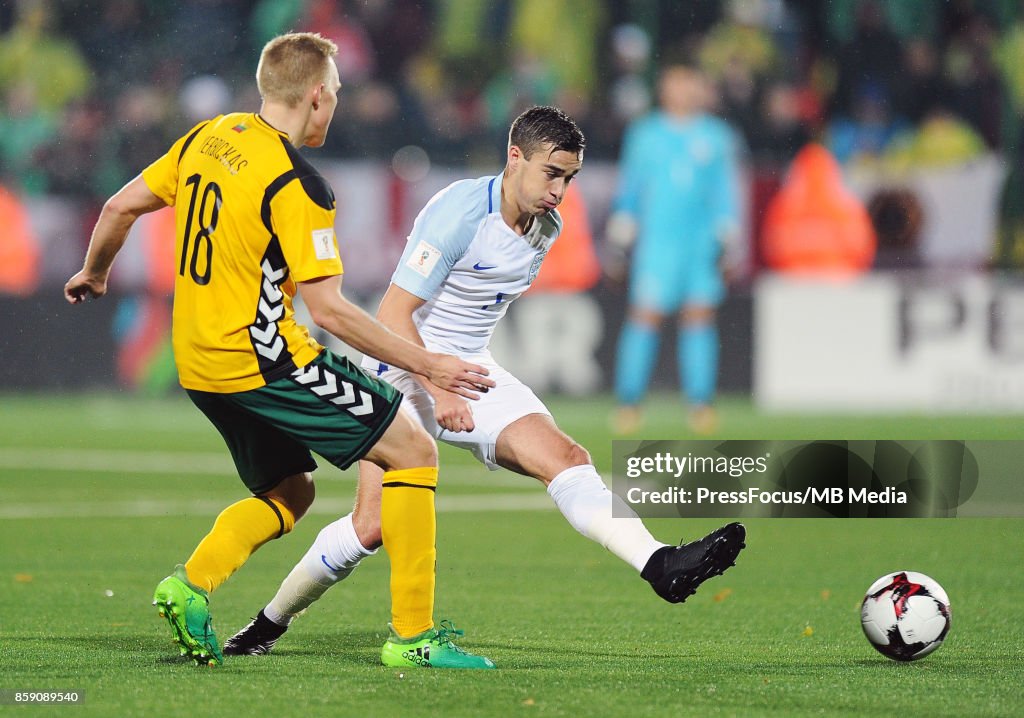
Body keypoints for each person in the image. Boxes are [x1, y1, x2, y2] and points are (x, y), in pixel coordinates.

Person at [222, 105, 747, 658]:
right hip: (404, 368)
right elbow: (395, 313)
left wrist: (458, 377)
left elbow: (473, 320)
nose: (560, 191)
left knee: (566, 457)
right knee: (370, 527)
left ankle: (658, 563)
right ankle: (267, 624)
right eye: (551, 174)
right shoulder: (458, 214)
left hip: (471, 367)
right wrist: (438, 386)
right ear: (514, 157)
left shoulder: (548, 225)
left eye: (570, 178)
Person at [63, 32, 496, 670]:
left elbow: (120, 205)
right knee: (413, 450)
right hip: (265, 360)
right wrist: (429, 365)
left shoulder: (206, 139)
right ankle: (414, 638)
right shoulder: (298, 184)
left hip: (199, 362)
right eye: (337, 95)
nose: (337, 106)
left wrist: (95, 272)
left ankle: (190, 585)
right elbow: (329, 311)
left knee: (291, 491)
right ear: (317, 96)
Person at [606, 63, 742, 435]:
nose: (682, 89)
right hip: (658, 244)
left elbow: (725, 192)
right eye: (675, 81)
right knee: (644, 317)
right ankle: (628, 403)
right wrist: (621, 232)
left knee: (699, 318)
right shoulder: (645, 134)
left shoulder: (716, 136)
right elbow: (630, 189)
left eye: (689, 81)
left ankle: (700, 404)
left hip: (699, 245)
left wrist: (729, 236)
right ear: (663, 87)